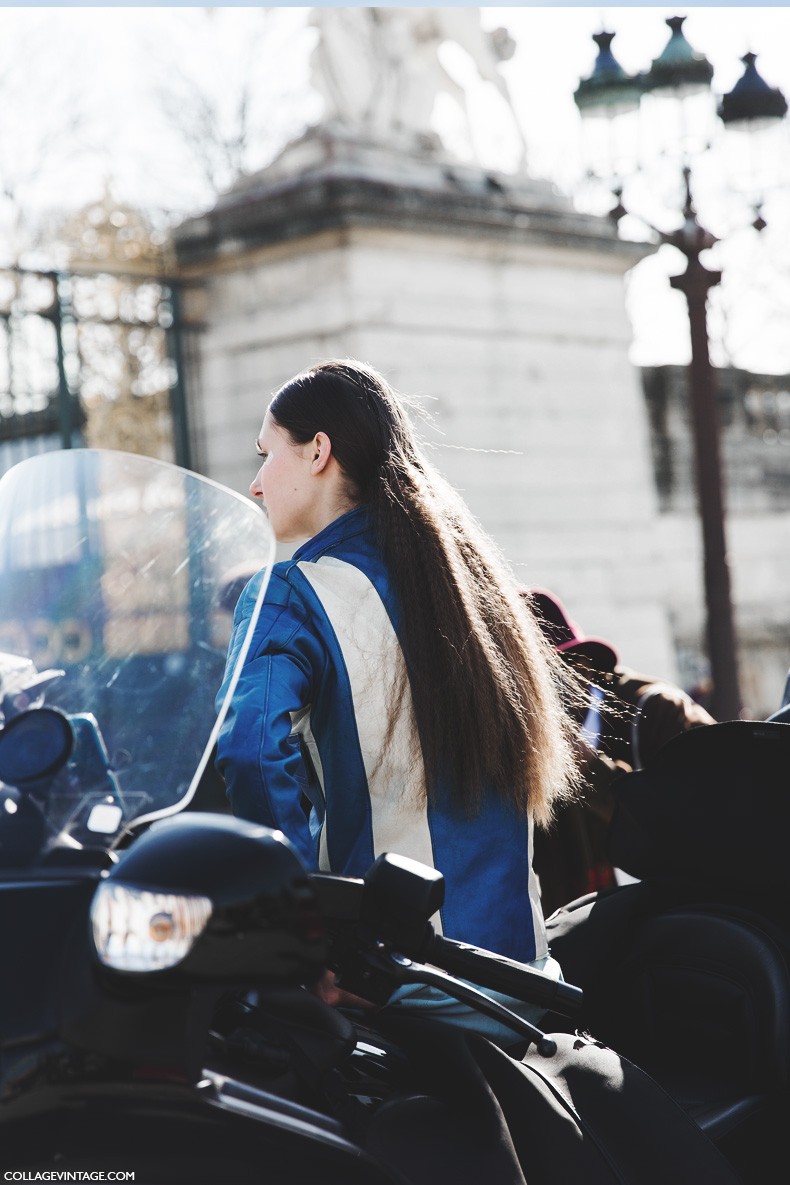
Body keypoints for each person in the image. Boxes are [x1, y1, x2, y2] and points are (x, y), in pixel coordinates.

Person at [214, 359, 582, 1045]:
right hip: (526, 982)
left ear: (318, 450)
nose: (256, 482)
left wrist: (301, 941)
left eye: (267, 454)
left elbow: (251, 753)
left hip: (394, 989)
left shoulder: (291, 591)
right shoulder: (475, 584)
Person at [523, 587, 716, 917]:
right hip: (579, 944)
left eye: (543, 675)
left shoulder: (658, 711)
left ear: (581, 664)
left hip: (680, 925)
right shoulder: (516, 745)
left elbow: (707, 822)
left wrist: (589, 768)